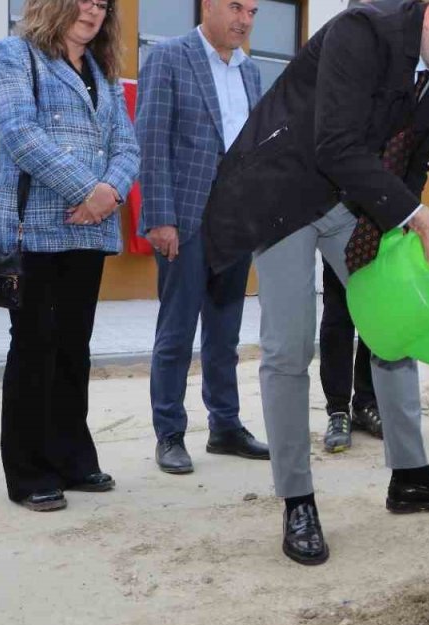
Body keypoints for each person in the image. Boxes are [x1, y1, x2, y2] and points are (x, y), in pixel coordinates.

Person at [201, 0, 429, 566]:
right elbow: (336, 145)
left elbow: (414, 159)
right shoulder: (360, 32)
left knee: (399, 322)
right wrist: (423, 221)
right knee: (290, 346)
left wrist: (401, 238)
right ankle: (297, 498)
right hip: (285, 196)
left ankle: (411, 476)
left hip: (356, 201)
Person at [0, 0, 139, 512]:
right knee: (34, 346)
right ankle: (29, 472)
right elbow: (18, 134)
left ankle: (72, 457)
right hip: (35, 229)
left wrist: (109, 194)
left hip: (89, 233)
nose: (93, 11)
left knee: (75, 345)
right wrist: (86, 191)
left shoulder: (105, 72)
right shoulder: (13, 54)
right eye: (83, 0)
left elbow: (128, 148)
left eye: (102, 4)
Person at [137, 0, 270, 476]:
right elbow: (150, 141)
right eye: (235, 7)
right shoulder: (169, 58)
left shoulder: (251, 72)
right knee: (175, 333)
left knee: (225, 333)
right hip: (186, 219)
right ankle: (169, 433)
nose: (245, 20)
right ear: (209, 5)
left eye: (253, 11)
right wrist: (159, 217)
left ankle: (225, 427)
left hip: (234, 222)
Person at [317, 258, 382, 453]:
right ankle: (338, 410)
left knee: (377, 313)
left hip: (380, 232)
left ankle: (366, 403)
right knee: (337, 313)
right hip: (338, 231)